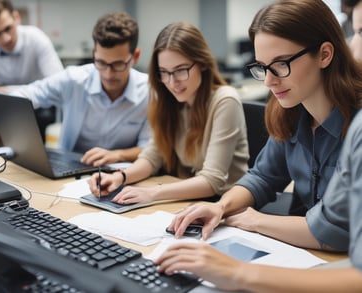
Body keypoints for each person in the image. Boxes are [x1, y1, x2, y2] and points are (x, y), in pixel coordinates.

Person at [155, 2, 362, 291]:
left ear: (325, 54)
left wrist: (255, 220)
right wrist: (221, 207)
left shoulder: (357, 126)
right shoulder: (289, 112)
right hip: (304, 257)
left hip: (339, 265)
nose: (268, 80)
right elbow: (262, 176)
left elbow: (333, 231)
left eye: (280, 64)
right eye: (262, 67)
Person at [88, 22, 249, 204]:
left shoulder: (225, 100)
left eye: (180, 70)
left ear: (202, 63)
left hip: (224, 204)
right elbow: (152, 157)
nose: (172, 83)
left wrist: (151, 194)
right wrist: (120, 177)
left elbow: (211, 181)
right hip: (188, 199)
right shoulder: (170, 101)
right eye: (164, 72)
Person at [11, 12, 150, 165]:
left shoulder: (149, 92)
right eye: (101, 62)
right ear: (94, 54)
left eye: (118, 64)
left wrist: (118, 155)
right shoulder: (75, 79)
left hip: (123, 174)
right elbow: (26, 94)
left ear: (135, 56)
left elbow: (150, 147)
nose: (108, 74)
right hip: (71, 169)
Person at [0, 0, 64, 141]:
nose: (5, 38)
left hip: (39, 106)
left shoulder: (37, 38)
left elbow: (58, 84)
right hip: (3, 109)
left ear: (16, 17)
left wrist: (4, 91)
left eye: (7, 28)